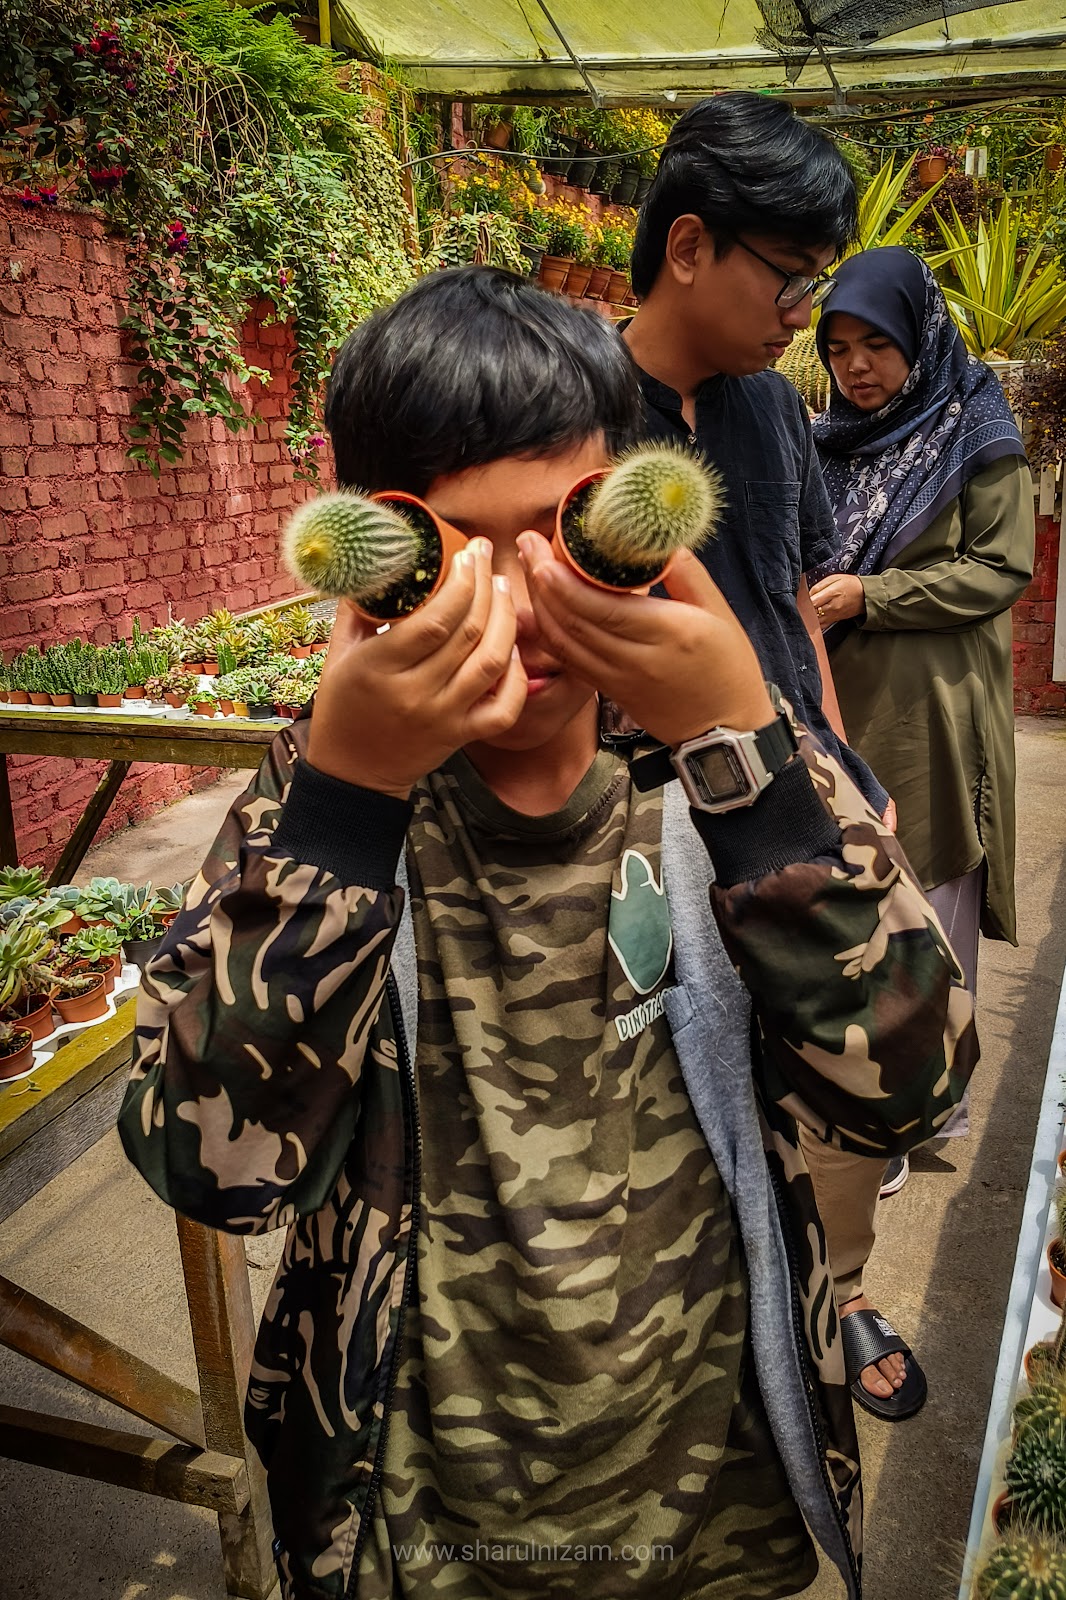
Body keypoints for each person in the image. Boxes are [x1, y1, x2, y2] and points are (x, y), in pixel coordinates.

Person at [118, 268, 976, 1600]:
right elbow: (211, 1168)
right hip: (418, 1531)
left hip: (715, 1525)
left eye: (562, 529)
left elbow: (911, 1087)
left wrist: (740, 755)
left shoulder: (728, 774)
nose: (520, 597)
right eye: (459, 543)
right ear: (374, 551)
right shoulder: (318, 806)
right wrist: (347, 803)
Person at [804, 245, 1033, 1418]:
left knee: (927, 900)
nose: (856, 371)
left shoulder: (976, 428)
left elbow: (1002, 567)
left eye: (875, 347)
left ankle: (908, 1097)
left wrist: (869, 595)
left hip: (934, 707)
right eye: (838, 349)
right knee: (860, 898)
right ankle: (865, 1099)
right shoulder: (820, 438)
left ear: (919, 338)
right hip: (848, 707)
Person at [621, 90, 889, 818]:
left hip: (799, 777)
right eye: (790, 277)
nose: (803, 314)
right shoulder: (570, 412)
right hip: (657, 809)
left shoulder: (775, 405)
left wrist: (837, 758)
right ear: (688, 248)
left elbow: (795, 600)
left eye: (816, 282)